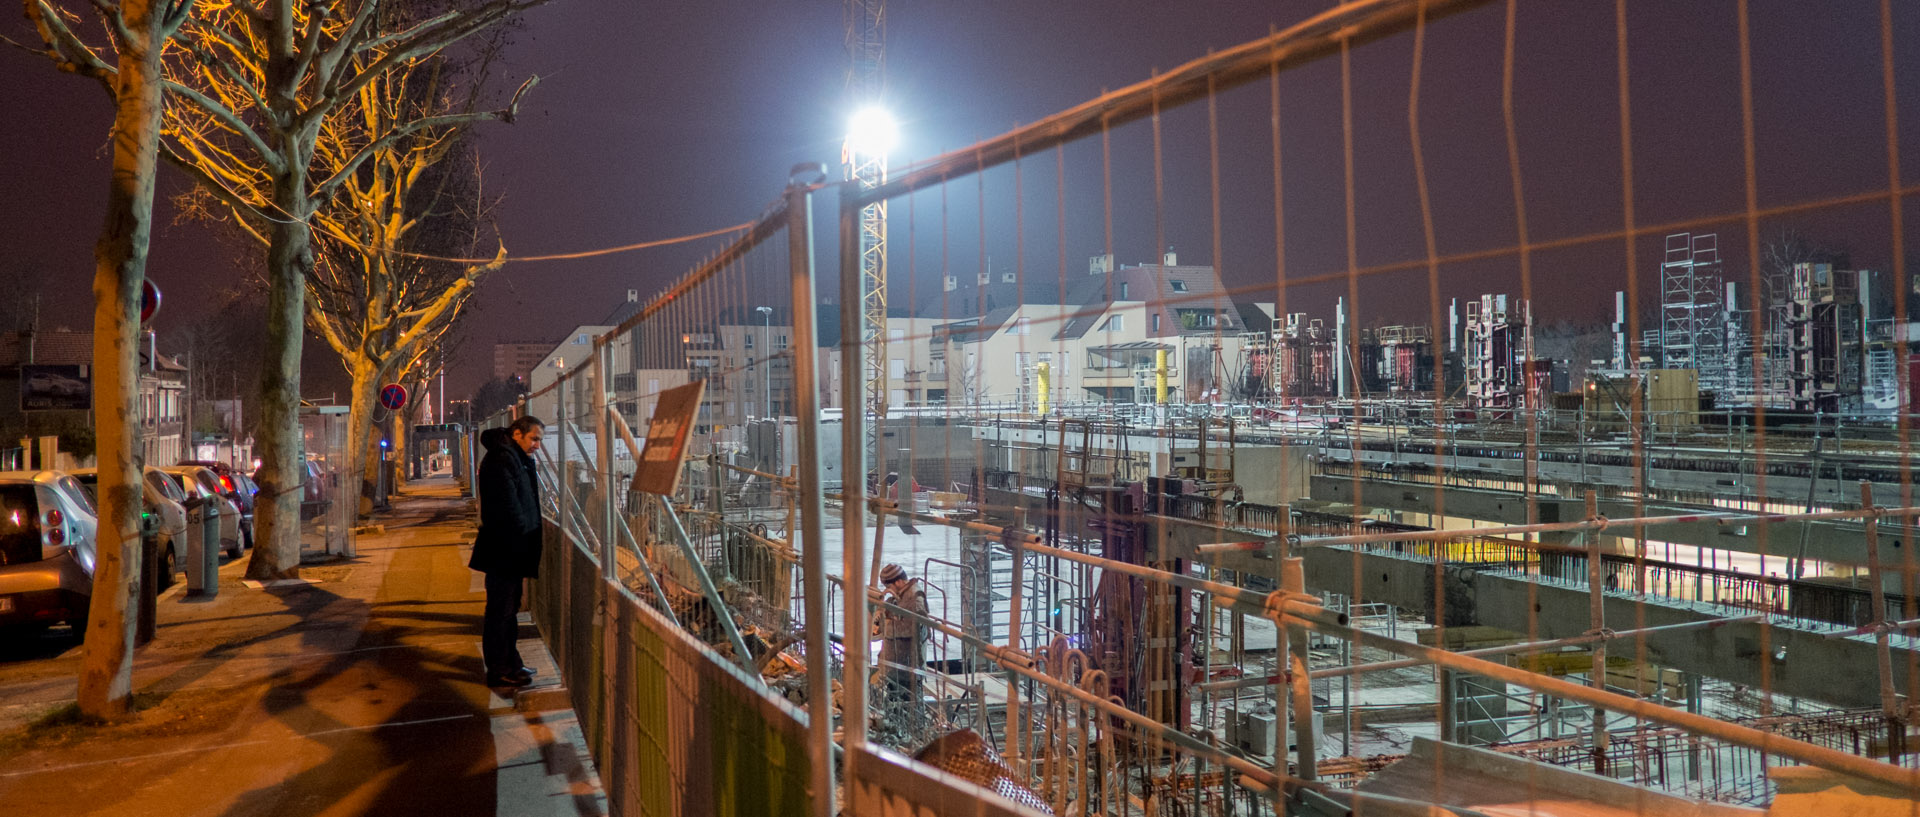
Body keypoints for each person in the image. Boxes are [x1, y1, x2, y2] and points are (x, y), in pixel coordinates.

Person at [470, 417, 544, 688]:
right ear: (517, 434)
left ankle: (511, 663)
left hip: (510, 548)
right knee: (501, 611)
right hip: (506, 549)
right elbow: (509, 508)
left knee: (507, 610)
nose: (537, 445)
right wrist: (524, 531)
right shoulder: (502, 460)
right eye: (534, 439)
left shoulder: (512, 457)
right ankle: (500, 669)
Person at [875, 562, 929, 709]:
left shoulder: (915, 596)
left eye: (888, 586)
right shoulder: (899, 595)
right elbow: (891, 611)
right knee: (895, 707)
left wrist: (885, 626)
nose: (887, 590)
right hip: (895, 666)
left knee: (910, 708)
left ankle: (917, 730)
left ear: (898, 581)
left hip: (908, 666)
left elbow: (913, 628)